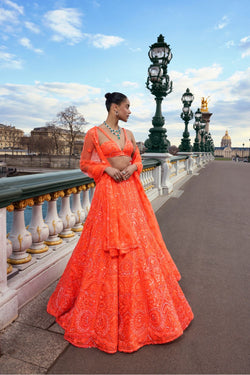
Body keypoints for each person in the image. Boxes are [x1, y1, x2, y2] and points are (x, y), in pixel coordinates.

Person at [47, 92, 194, 354]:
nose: (130, 111)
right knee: (105, 246)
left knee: (139, 244)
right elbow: (84, 163)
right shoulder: (93, 134)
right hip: (108, 195)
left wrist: (132, 169)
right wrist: (105, 169)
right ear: (114, 108)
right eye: (127, 106)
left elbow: (137, 159)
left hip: (130, 194)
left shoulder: (129, 136)